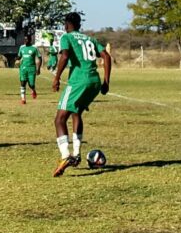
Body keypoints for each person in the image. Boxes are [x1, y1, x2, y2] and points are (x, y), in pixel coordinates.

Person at [51, 12, 112, 177]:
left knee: (59, 119)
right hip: (94, 80)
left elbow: (64, 55)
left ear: (66, 24)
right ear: (79, 24)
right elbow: (106, 56)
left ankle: (65, 156)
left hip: (78, 81)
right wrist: (106, 81)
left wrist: (57, 78)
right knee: (76, 112)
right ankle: (76, 154)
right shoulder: (90, 39)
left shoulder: (67, 37)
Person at [15, 34, 42, 104]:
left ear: (30, 40)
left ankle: (33, 90)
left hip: (32, 68)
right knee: (23, 82)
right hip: (23, 68)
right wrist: (16, 59)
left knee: (31, 84)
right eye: (24, 39)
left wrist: (38, 69)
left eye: (27, 39)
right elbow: (19, 56)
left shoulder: (34, 48)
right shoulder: (21, 47)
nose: (25, 41)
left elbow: (39, 57)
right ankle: (23, 99)